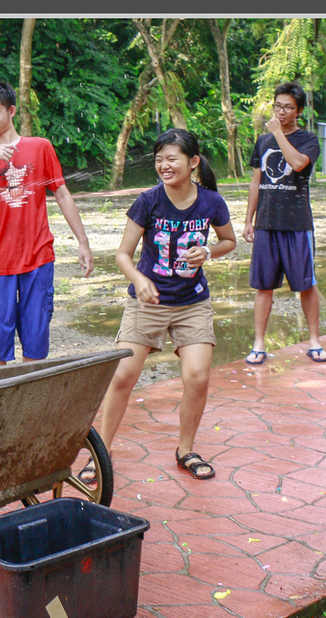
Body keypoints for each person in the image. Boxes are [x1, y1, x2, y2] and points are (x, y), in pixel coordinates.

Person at [96, 129, 236, 481]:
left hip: (192, 302)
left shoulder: (211, 202)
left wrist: (208, 251)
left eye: (171, 158)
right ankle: (102, 451)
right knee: (123, 375)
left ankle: (185, 450)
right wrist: (139, 280)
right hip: (149, 302)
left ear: (193, 162)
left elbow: (229, 241)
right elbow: (123, 255)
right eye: (159, 159)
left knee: (197, 376)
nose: (164, 165)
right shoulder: (148, 201)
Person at [0, 80, 94, 368]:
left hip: (38, 255)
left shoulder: (40, 147)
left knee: (36, 340)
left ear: (11, 111)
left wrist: (83, 243)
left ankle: (30, 404)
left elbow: (61, 193)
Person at [242, 81, 326, 366]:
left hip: (297, 223)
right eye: (278, 106)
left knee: (306, 284)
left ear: (299, 110)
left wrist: (278, 133)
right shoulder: (263, 141)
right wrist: (248, 220)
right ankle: (258, 343)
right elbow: (257, 181)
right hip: (267, 222)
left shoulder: (307, 139)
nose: (281, 112)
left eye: (288, 107)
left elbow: (298, 163)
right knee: (263, 286)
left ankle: (314, 340)